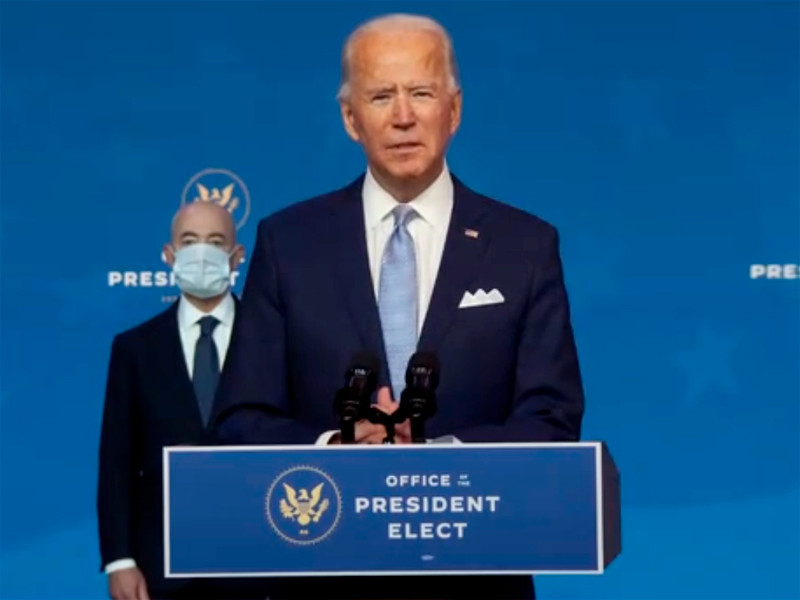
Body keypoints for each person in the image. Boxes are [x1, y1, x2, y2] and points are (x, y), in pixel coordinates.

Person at [212, 13, 585, 600]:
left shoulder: (525, 246)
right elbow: (240, 419)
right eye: (381, 95)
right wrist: (335, 450)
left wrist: (438, 463)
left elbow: (552, 418)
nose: (403, 116)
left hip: (475, 580)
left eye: (422, 93)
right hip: (323, 575)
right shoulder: (288, 243)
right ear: (350, 118)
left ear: (454, 110)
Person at [96, 201, 267, 600]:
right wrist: (120, 560)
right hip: (161, 569)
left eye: (216, 241)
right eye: (189, 242)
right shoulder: (134, 348)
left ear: (237, 256)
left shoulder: (271, 339)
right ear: (169, 255)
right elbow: (117, 461)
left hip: (255, 558)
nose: (202, 253)